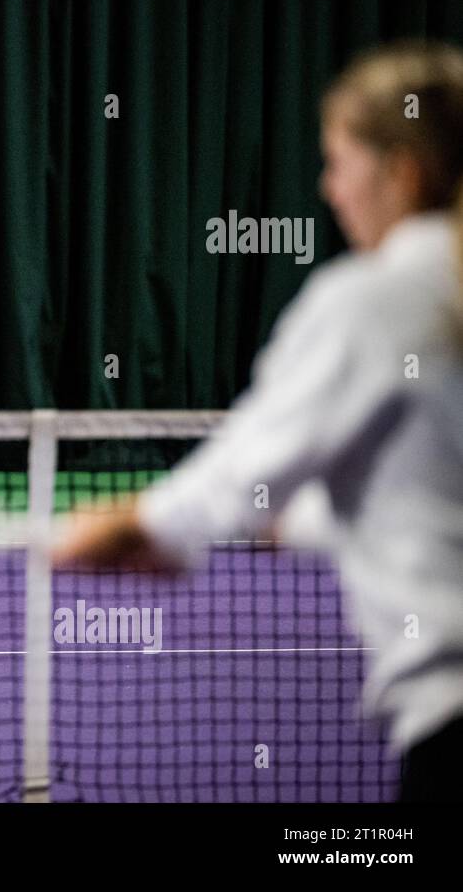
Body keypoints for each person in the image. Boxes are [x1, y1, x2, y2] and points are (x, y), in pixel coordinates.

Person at [53, 41, 463, 802]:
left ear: (402, 173)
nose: (329, 190)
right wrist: (293, 521)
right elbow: (427, 499)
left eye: (339, 164)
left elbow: (235, 477)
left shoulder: (373, 302)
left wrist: (134, 525)